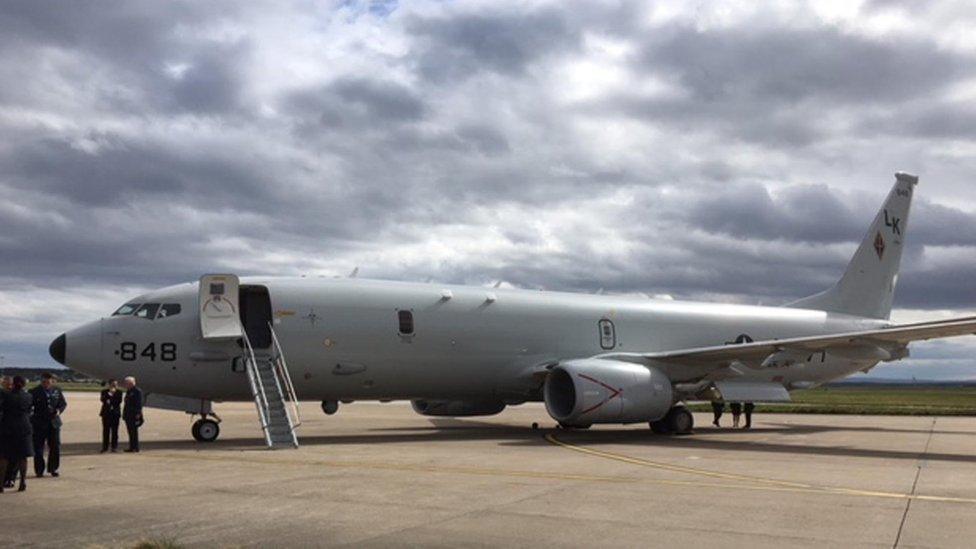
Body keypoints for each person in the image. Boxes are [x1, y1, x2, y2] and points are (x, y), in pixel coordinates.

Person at [30, 372, 67, 477]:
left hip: (54, 423)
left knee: (55, 446)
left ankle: (53, 468)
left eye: (48, 381)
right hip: (39, 423)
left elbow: (63, 403)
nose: (46, 383)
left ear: (52, 381)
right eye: (44, 381)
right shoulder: (34, 391)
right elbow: (29, 406)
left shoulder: (57, 390)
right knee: (38, 448)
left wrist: (59, 411)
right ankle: (39, 470)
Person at [1, 376, 34, 492]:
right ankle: (23, 482)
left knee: (4, 457)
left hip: (8, 428)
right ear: (24, 385)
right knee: (23, 457)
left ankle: (1, 484)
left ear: (13, 384)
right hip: (24, 428)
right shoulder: (29, 396)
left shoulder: (6, 395)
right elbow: (29, 410)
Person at [99, 379, 123, 453]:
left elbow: (118, 401)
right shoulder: (104, 392)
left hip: (115, 414)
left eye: (115, 384)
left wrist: (110, 399)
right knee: (106, 431)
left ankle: (114, 447)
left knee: (115, 431)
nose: (114, 386)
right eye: (113, 384)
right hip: (106, 414)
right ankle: (105, 447)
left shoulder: (119, 392)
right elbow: (103, 400)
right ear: (109, 385)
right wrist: (110, 395)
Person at [123, 376, 144, 453]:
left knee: (134, 432)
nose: (125, 385)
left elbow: (139, 404)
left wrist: (138, 414)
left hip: (134, 414)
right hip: (128, 414)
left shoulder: (137, 391)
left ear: (131, 383)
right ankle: (131, 447)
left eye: (126, 383)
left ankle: (136, 447)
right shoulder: (129, 391)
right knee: (130, 432)